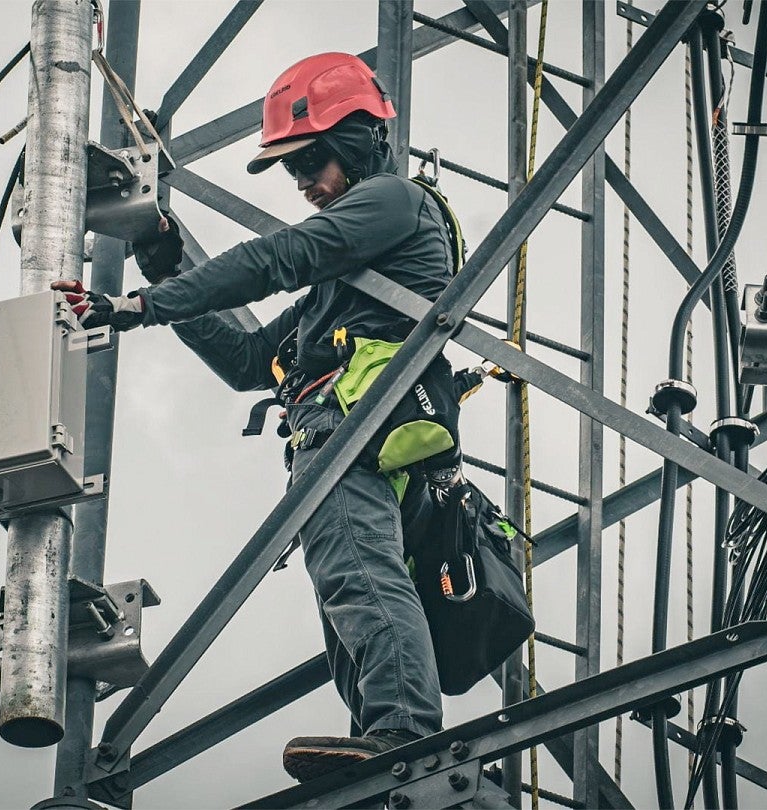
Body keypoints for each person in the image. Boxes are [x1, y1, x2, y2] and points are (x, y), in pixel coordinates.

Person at [53, 52, 463, 782]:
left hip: (358, 429)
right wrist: (163, 268)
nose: (302, 182)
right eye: (290, 168)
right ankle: (382, 748)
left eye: (310, 161)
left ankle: (402, 737)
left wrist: (141, 308)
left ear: (360, 140)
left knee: (360, 581)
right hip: (340, 431)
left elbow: (280, 256)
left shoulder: (394, 202)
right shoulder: (350, 286)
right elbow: (249, 362)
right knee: (350, 600)